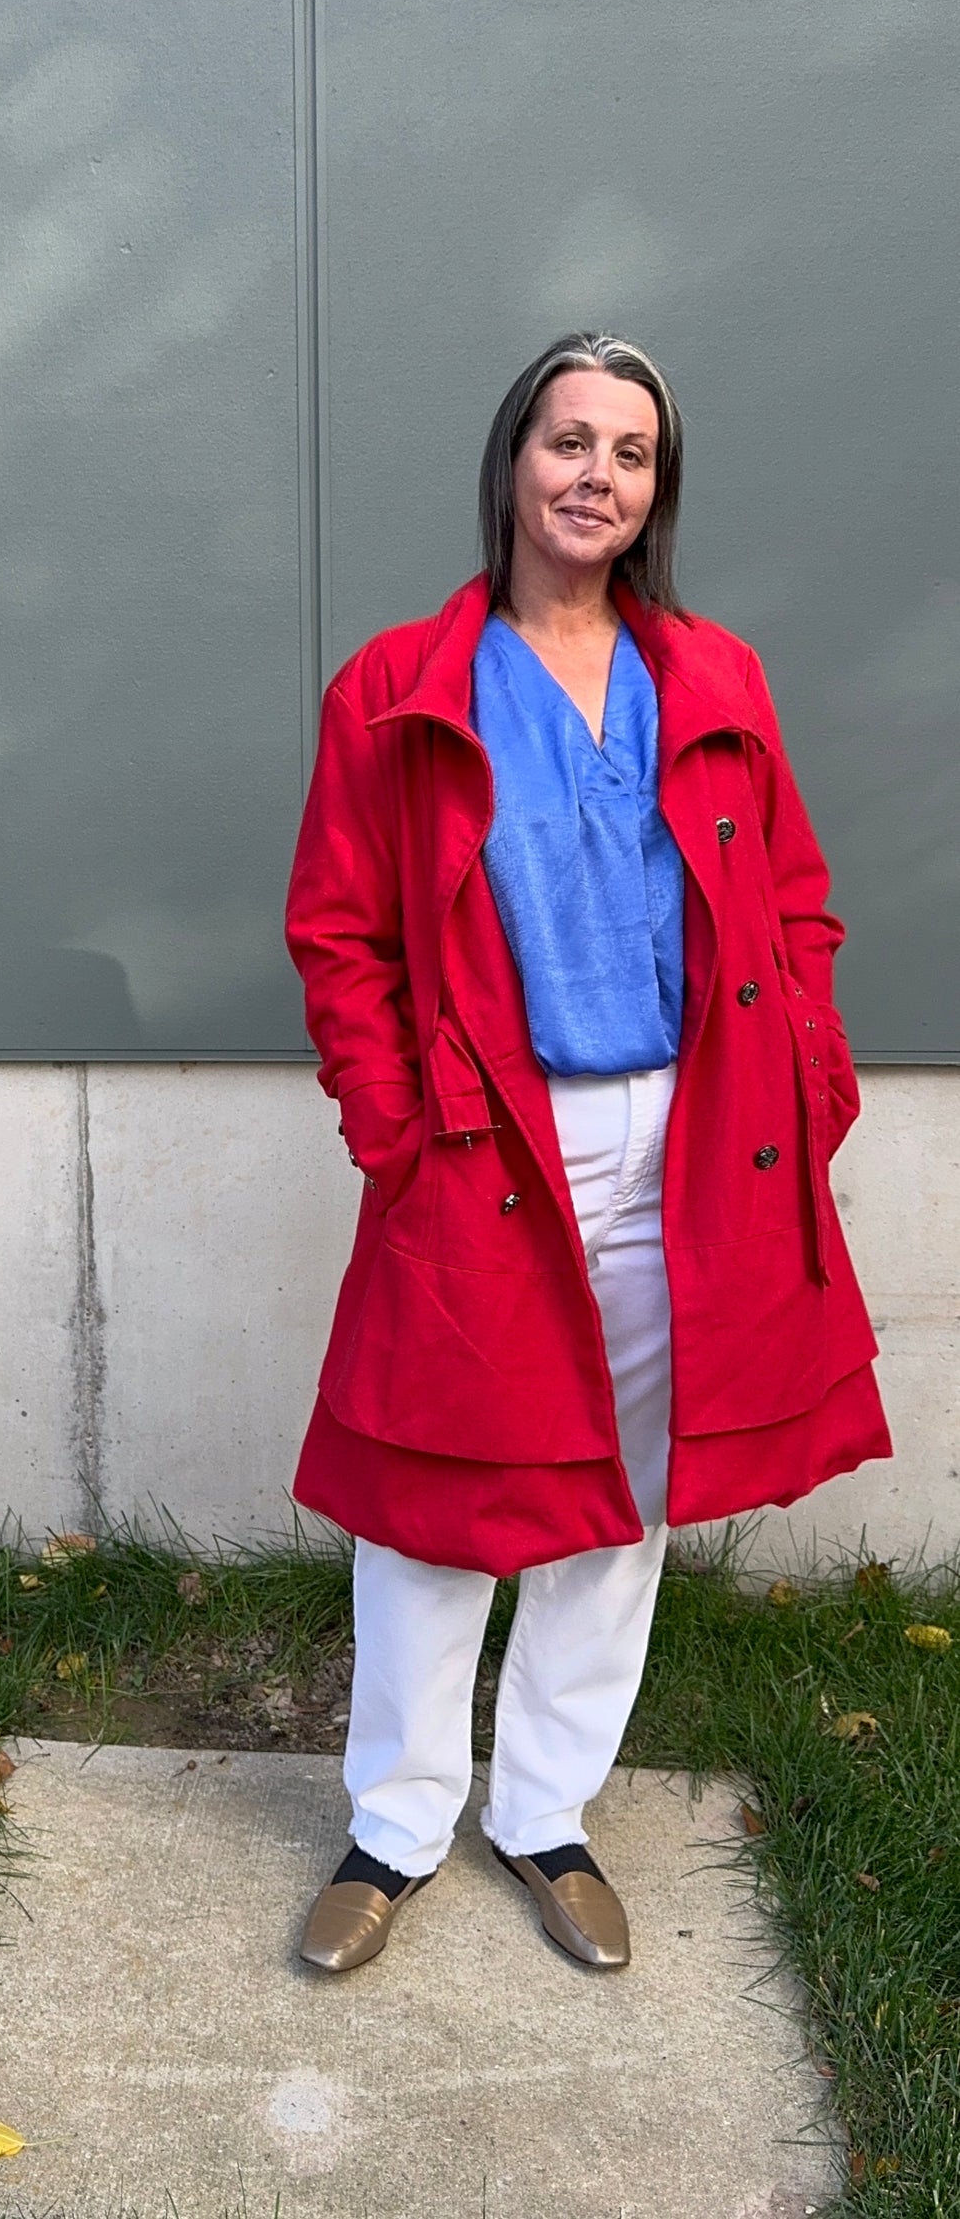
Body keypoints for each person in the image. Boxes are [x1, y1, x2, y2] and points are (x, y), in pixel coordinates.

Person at [285, 331, 891, 1974]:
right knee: (431, 1493)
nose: (593, 474)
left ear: (652, 493)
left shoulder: (715, 678)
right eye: (567, 440)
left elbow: (797, 901)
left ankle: (543, 1809)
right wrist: (391, 1123)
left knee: (623, 1493)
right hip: (489, 1136)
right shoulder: (397, 687)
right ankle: (393, 1825)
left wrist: (806, 1084)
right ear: (511, 463)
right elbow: (339, 932)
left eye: (627, 453)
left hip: (688, 1138)